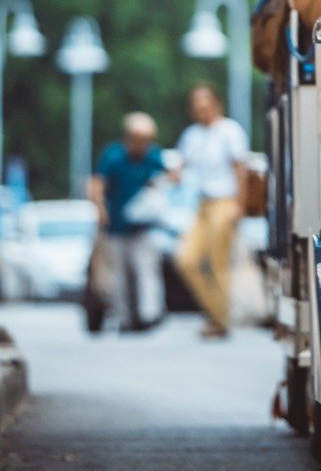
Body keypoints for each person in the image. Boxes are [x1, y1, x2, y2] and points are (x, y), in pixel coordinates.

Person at [174, 84, 248, 339]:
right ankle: (217, 313)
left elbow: (240, 168)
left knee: (218, 262)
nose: (201, 109)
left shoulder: (229, 130)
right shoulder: (191, 135)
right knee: (186, 259)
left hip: (225, 201)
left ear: (216, 104)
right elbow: (180, 165)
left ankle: (220, 320)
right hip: (202, 204)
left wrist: (241, 204)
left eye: (205, 103)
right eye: (196, 105)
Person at [89, 112, 169, 333]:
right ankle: (124, 318)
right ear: (129, 136)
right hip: (115, 226)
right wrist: (100, 209)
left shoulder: (153, 155)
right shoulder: (113, 156)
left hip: (143, 228)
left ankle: (148, 315)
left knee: (147, 270)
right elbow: (97, 184)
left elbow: (169, 180)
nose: (144, 144)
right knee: (117, 276)